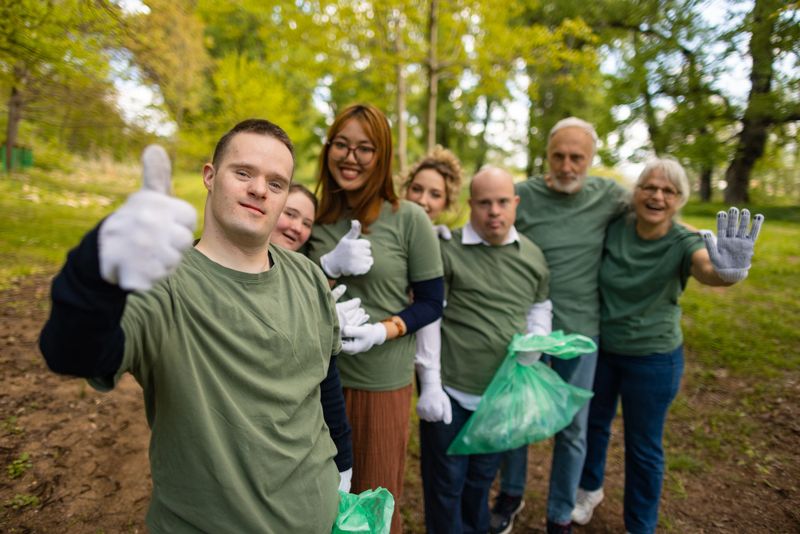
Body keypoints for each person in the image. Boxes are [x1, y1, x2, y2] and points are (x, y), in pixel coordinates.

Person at [39, 119, 352, 532]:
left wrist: (345, 472)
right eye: (243, 173)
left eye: (276, 184)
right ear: (210, 176)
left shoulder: (308, 276)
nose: (260, 189)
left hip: (319, 516)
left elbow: (325, 383)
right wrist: (94, 272)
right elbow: (72, 353)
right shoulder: (163, 284)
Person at [572, 158, 764, 534]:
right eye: (649, 187)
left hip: (653, 358)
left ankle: (640, 525)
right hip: (605, 351)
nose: (657, 196)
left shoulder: (684, 240)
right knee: (594, 426)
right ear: (636, 192)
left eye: (668, 191)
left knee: (643, 447)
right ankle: (589, 490)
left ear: (679, 200)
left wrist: (727, 273)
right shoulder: (615, 228)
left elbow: (706, 267)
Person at [305, 103, 444, 533]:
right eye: (341, 145)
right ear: (328, 149)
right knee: (317, 503)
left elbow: (431, 301)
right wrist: (327, 268)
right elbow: (281, 294)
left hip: (380, 384)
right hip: (311, 382)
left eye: (365, 148)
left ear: (382, 156)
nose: (351, 157)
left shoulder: (408, 219)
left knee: (374, 506)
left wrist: (383, 331)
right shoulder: (312, 217)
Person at [490, 117, 630, 534]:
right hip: (527, 325)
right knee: (518, 417)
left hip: (580, 330)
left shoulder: (607, 195)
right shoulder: (523, 195)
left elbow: (657, 210)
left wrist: (698, 239)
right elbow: (488, 228)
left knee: (573, 427)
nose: (567, 166)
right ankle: (511, 495)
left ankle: (560, 514)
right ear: (547, 156)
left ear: (590, 160)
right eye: (559, 156)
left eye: (577, 158)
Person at [418, 166, 551, 533]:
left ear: (516, 203)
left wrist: (537, 340)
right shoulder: (447, 250)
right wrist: (430, 382)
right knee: (445, 484)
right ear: (471, 205)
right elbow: (430, 315)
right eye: (485, 203)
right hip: (451, 392)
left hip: (499, 396)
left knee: (480, 480)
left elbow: (539, 305)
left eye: (503, 202)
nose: (494, 211)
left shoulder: (532, 256)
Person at [400, 145, 464, 424]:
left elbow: (429, 312)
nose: (423, 200)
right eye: (417, 189)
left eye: (435, 194)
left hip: (417, 346)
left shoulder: (442, 247)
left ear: (447, 203)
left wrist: (430, 382)